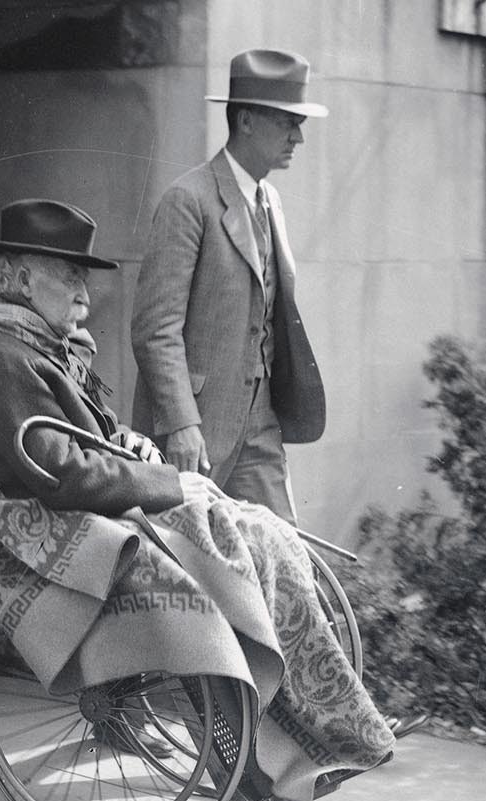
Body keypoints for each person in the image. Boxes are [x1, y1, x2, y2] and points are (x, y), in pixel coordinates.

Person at [0, 199, 416, 801]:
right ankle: (261, 768)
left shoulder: (35, 347)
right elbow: (57, 471)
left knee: (262, 532)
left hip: (90, 519)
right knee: (219, 553)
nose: (82, 291)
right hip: (55, 540)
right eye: (67, 274)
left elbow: (88, 441)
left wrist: (139, 452)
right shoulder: (0, 358)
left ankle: (326, 732)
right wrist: (167, 484)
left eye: (81, 275)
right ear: (14, 277)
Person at [131, 48, 328, 526]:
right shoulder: (189, 200)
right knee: (187, 566)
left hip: (261, 424)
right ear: (245, 121)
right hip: (195, 429)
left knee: (285, 554)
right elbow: (155, 328)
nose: (298, 136)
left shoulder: (270, 200)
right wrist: (180, 423)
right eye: (287, 121)